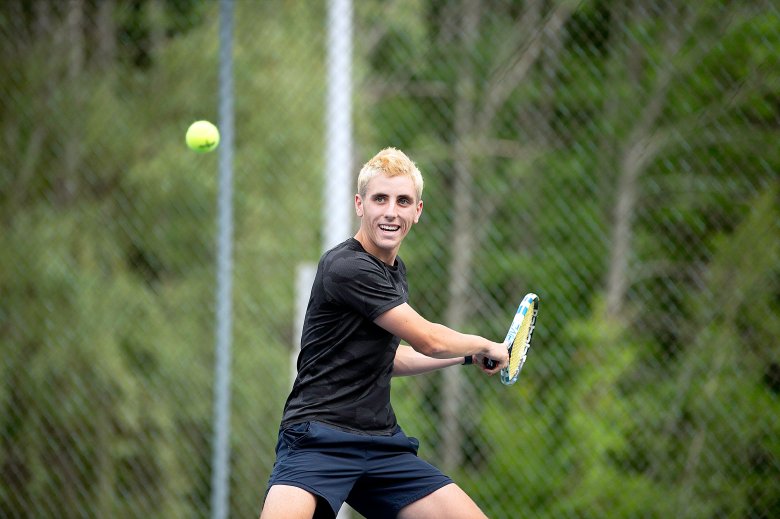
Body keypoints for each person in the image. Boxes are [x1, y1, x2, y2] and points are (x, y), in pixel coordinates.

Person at [260, 147, 508, 519]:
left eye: (403, 201)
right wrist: (486, 343)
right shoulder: (346, 266)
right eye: (380, 199)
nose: (391, 211)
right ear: (360, 205)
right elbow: (428, 339)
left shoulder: (394, 271)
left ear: (417, 211)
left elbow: (388, 357)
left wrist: (467, 356)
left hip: (381, 444)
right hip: (318, 438)